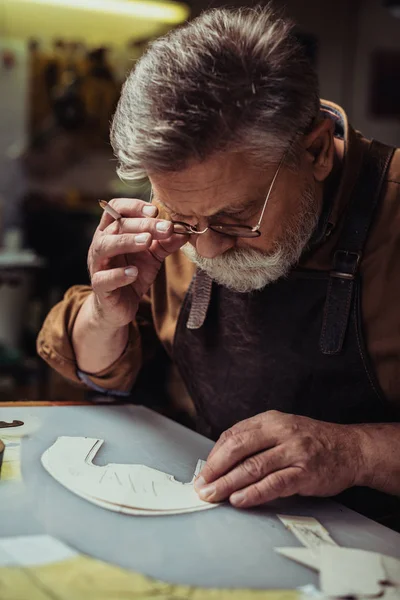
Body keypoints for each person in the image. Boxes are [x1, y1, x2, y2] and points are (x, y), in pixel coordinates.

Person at [37, 6, 400, 529]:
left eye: (235, 219)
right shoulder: (186, 218)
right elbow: (102, 372)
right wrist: (105, 313)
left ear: (316, 151)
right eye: (183, 220)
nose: (205, 250)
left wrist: (356, 451)